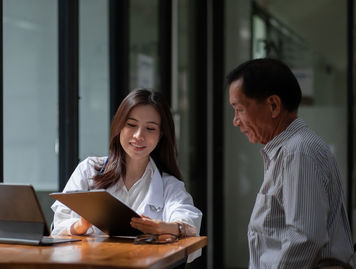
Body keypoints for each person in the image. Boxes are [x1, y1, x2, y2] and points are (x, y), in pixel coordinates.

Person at [227, 58, 354, 268]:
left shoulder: (297, 152)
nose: (236, 120)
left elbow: (305, 238)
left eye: (239, 109)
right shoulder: (286, 150)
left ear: (274, 105)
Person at [51, 88, 202, 261]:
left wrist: (164, 227)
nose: (139, 136)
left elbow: (190, 223)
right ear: (119, 126)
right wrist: (79, 226)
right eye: (131, 125)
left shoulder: (169, 185)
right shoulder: (89, 170)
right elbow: (58, 225)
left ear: (160, 135)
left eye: (150, 128)